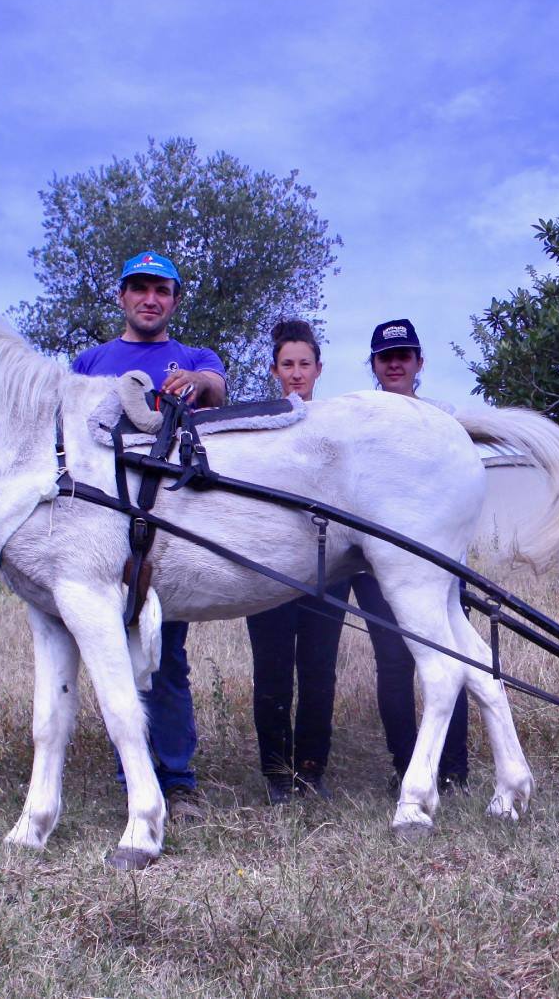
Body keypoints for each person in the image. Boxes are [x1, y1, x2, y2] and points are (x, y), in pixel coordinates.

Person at [70, 249, 227, 824]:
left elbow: (215, 388)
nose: (150, 299)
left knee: (168, 656)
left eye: (162, 290)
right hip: (101, 533)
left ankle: (179, 783)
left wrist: (198, 382)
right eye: (139, 289)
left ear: (175, 300)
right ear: (122, 297)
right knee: (117, 657)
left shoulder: (192, 356)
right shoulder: (90, 361)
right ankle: (134, 778)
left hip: (170, 534)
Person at [348, 316, 471, 791]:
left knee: (447, 651)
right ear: (374, 365)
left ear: (419, 362)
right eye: (386, 357)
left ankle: (454, 770)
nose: (395, 364)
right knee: (394, 663)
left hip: (434, 556)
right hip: (371, 560)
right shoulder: (358, 422)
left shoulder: (442, 421)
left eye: (404, 356)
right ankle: (407, 766)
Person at [243, 319, 345, 804]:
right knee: (272, 670)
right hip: (268, 564)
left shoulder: (334, 427)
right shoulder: (257, 427)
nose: (297, 373)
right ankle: (277, 774)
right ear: (274, 371)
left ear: (319, 369)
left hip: (327, 567)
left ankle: (311, 769)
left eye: (305, 364)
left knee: (320, 669)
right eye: (288, 364)